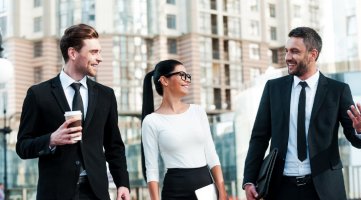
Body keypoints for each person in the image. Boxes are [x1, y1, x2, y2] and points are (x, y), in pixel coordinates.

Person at [243, 27, 361, 200]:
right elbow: (259, 137)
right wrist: (249, 180)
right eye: (286, 51)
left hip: (324, 190)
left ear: (313, 54)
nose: (288, 57)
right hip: (281, 189)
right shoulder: (273, 88)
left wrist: (360, 129)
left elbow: (358, 141)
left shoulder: (337, 91)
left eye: (295, 51)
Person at [16, 24, 130, 200]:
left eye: (99, 52)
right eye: (94, 52)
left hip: (96, 193)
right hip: (55, 193)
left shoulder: (106, 95)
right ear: (73, 53)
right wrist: (51, 139)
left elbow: (114, 145)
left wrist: (122, 183)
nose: (100, 58)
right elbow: (23, 147)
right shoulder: (38, 94)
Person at [141, 59, 228, 199]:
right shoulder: (151, 121)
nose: (187, 80)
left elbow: (211, 155)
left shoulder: (198, 112)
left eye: (188, 76)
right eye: (182, 75)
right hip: (175, 191)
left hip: (206, 189)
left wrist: (222, 191)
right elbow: (152, 169)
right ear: (164, 80)